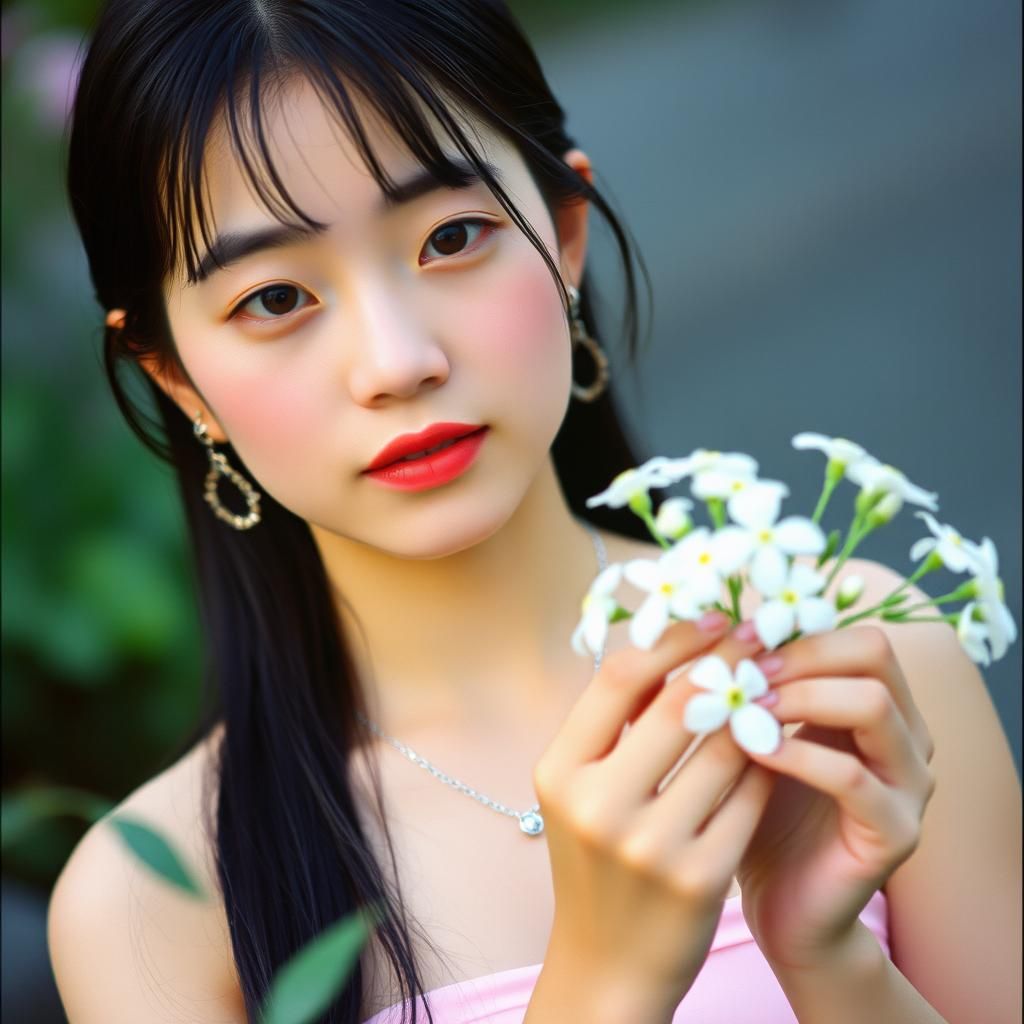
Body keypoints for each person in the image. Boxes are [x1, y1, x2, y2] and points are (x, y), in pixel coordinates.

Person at [45, 2, 1020, 1022]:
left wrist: (827, 953)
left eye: (450, 236)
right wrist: (604, 983)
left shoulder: (848, 661)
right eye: (276, 299)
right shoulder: (153, 898)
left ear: (564, 233)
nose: (397, 361)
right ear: (178, 377)